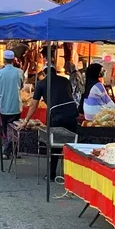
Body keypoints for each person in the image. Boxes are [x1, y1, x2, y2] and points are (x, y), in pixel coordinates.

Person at [25, 47, 78, 180]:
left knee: (54, 145)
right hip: (72, 113)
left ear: (45, 73)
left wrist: (25, 120)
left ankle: (52, 174)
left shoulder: (41, 84)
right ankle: (71, 174)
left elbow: (33, 105)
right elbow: (69, 95)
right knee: (71, 144)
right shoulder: (65, 81)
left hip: (57, 116)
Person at [0, 50, 25, 158]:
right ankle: (13, 150)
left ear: (4, 60)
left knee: (6, 129)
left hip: (3, 104)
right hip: (15, 104)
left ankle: (7, 151)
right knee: (15, 128)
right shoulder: (20, 72)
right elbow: (21, 86)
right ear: (14, 60)